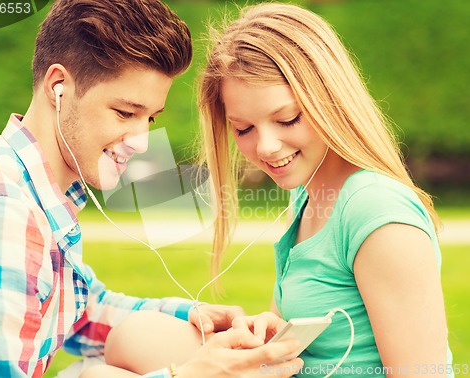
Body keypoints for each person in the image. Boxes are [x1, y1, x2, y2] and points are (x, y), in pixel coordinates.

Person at [0, 0, 304, 377]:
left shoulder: (37, 194)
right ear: (58, 87)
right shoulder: (0, 211)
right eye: (125, 113)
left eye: (150, 117)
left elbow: (80, 311)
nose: (142, 142)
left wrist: (197, 316)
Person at [194, 2, 453, 377]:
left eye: (287, 118)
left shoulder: (375, 211)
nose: (265, 146)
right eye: (243, 128)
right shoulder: (306, 193)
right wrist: (270, 332)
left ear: (329, 98)